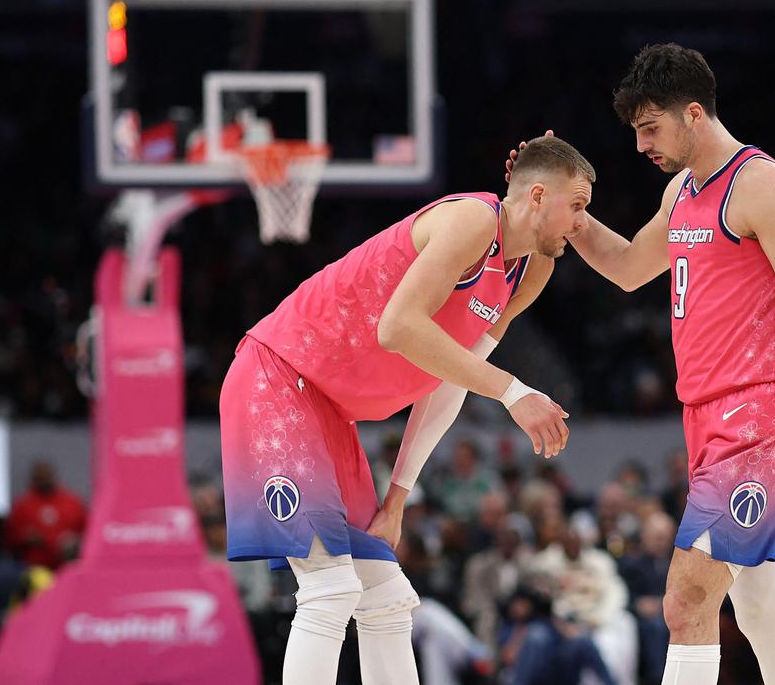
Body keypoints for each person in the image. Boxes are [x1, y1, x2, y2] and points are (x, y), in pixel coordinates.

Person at [507, 42, 775, 683]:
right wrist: (565, 209)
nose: (640, 145)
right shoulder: (682, 190)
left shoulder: (766, 187)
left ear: (694, 115)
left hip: (759, 419)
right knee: (763, 615)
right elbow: (627, 269)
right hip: (708, 418)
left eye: (650, 128)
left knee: (685, 601)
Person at [219, 135, 594, 684]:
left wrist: (397, 497)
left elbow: (451, 381)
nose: (584, 223)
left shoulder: (531, 269)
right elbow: (398, 327)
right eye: (579, 205)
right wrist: (515, 392)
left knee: (389, 598)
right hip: (276, 380)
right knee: (330, 588)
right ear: (537, 195)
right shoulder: (472, 220)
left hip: (325, 409)